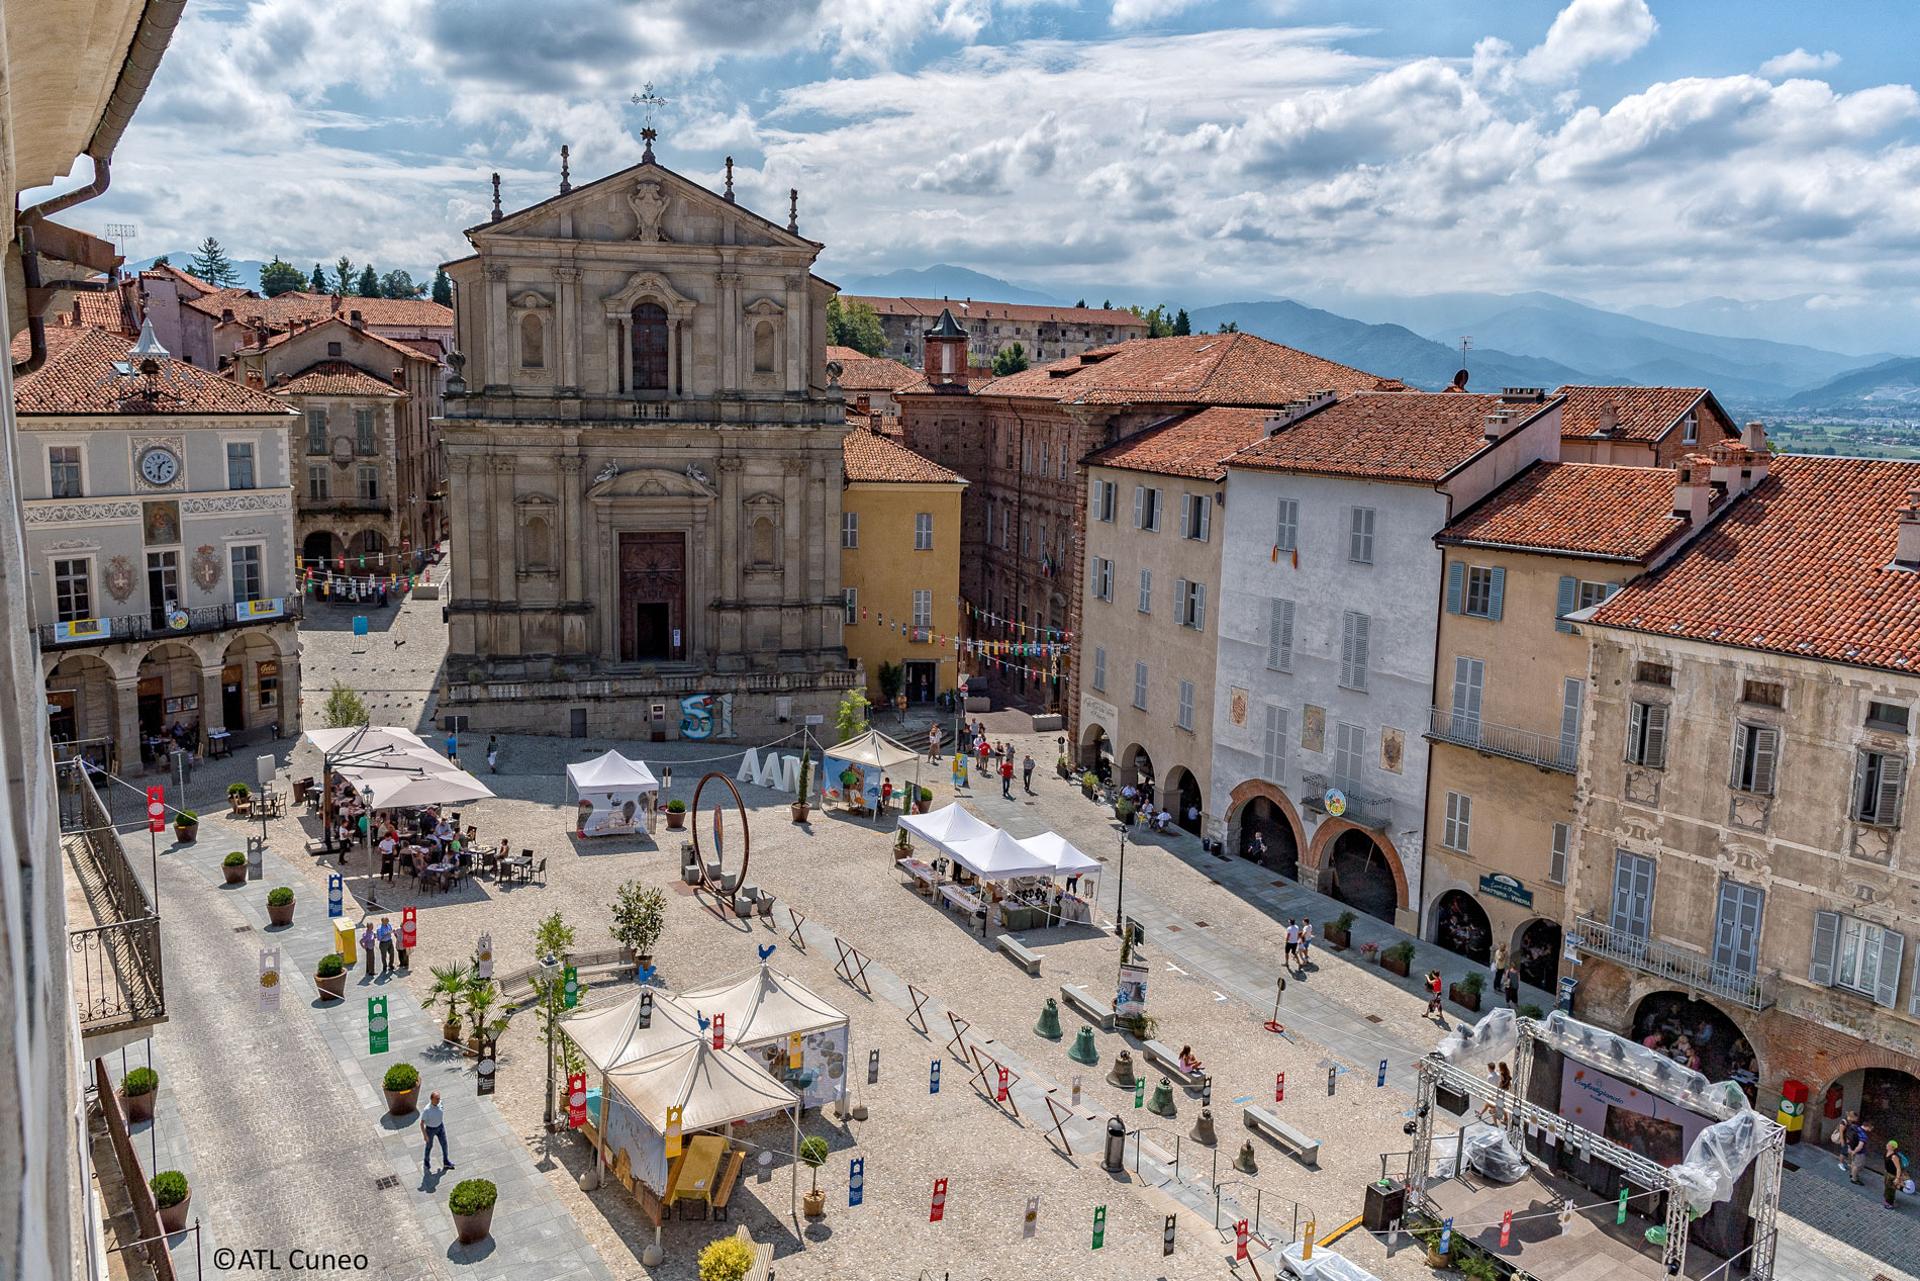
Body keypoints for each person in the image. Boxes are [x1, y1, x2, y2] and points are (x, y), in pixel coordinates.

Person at [421, 1091, 454, 1174]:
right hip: (430, 1129)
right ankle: (426, 1161)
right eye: (436, 1099)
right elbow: (421, 1123)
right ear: (431, 1099)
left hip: (440, 1127)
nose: (438, 1100)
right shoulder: (427, 1110)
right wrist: (425, 1135)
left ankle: (446, 1161)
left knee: (444, 1144)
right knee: (429, 1146)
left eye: (439, 1098)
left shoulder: (440, 1103)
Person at [1847, 1118, 1873, 1185]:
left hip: (1851, 1148)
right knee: (1857, 1165)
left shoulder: (1856, 1128)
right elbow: (1860, 1146)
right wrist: (1854, 1152)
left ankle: (1852, 1174)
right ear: (1868, 1127)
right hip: (1859, 1153)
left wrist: (1850, 1148)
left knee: (1853, 1162)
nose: (1871, 1130)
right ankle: (1854, 1179)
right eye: (1871, 1128)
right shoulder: (1863, 1135)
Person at [1886, 1139, 1906, 1209]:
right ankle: (1888, 1200)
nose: (1887, 1145)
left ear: (1893, 1147)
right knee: (1888, 1188)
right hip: (1888, 1174)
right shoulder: (1887, 1152)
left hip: (1893, 1175)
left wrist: (1897, 1178)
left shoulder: (1894, 1156)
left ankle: (1890, 1204)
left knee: (1891, 1189)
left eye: (1889, 1145)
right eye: (1887, 1144)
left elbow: (1898, 1168)